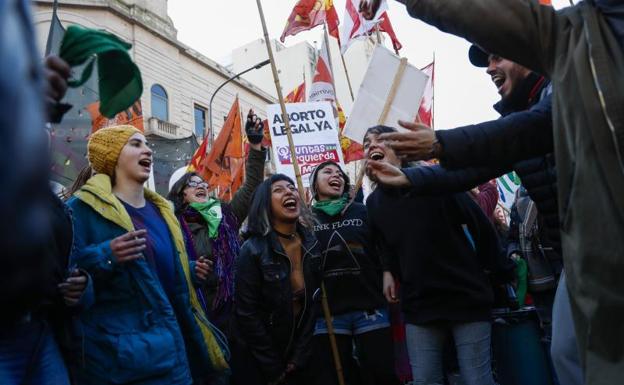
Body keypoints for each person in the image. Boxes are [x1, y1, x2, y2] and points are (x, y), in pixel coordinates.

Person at [360, 2, 624, 380]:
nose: (489, 68)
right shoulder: (532, 103)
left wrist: (440, 144)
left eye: (498, 53)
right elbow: (478, 166)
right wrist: (414, 179)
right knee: (570, 355)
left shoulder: (566, 82)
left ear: (534, 49)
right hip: (577, 265)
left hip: (592, 259)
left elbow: (523, 134)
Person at [68, 125, 225, 384]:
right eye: (135, 144)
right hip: (127, 362)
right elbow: (66, 275)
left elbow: (156, 272)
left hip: (177, 346)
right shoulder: (82, 209)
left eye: (146, 144)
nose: (148, 150)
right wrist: (107, 255)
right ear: (112, 155)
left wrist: (189, 269)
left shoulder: (163, 210)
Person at [364, 125, 514, 385]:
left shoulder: (433, 181)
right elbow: (384, 242)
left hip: (465, 296)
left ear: (401, 152)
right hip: (420, 305)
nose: (372, 146)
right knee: (424, 380)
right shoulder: (373, 203)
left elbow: (480, 225)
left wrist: (501, 272)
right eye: (367, 144)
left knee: (476, 379)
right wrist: (388, 269)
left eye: (381, 140)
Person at [167, 109, 266, 333]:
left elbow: (251, 187)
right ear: (180, 193)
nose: (202, 186)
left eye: (203, 183)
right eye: (193, 183)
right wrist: (191, 271)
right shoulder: (171, 226)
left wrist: (255, 146)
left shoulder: (225, 215)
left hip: (236, 313)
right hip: (197, 316)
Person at [308, 161, 398, 385]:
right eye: (327, 172)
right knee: (337, 375)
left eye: (339, 173)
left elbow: (382, 243)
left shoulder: (361, 211)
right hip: (328, 314)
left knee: (381, 372)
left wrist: (387, 271)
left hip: (370, 307)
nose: (336, 175)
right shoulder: (306, 219)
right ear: (314, 185)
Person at [230, 174, 320, 385]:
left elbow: (313, 304)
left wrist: (300, 355)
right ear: (265, 204)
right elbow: (247, 314)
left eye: (291, 188)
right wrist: (272, 365)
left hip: (298, 356)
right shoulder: (252, 250)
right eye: (278, 190)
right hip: (258, 359)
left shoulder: (312, 245)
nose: (289, 192)